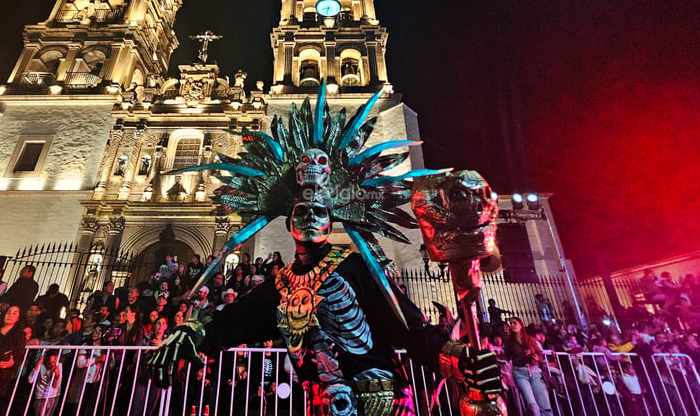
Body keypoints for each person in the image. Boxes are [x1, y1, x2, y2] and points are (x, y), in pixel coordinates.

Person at [154, 92, 502, 415]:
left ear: (331, 219)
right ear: (288, 221)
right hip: (322, 405)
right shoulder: (280, 284)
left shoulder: (356, 267)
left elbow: (411, 329)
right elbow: (234, 321)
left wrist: (460, 361)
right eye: (301, 212)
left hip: (382, 402)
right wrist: (191, 331)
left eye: (319, 211)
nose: (309, 217)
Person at [505, 316, 552, 415]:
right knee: (532, 404)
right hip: (520, 372)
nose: (512, 325)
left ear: (520, 324)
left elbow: (540, 355)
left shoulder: (530, 339)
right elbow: (508, 357)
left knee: (544, 403)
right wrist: (524, 356)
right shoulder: (509, 342)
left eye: (514, 322)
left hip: (534, 370)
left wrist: (536, 358)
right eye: (510, 323)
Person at [28, 349, 62, 416]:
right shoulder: (41, 365)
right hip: (40, 395)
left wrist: (57, 374)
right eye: (53, 356)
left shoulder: (59, 365)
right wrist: (37, 365)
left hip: (53, 395)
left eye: (56, 356)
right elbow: (30, 380)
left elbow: (57, 384)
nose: (55, 359)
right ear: (46, 358)